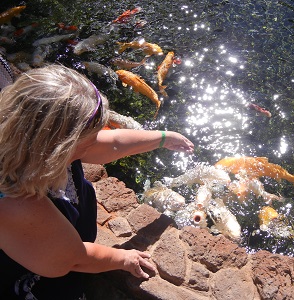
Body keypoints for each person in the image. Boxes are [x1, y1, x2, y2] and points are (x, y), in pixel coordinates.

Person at [0, 64, 194, 299]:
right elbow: (71, 259)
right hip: (39, 279)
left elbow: (113, 143)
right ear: (59, 148)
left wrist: (163, 138)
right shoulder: (18, 203)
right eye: (90, 139)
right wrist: (124, 258)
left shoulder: (29, 143)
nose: (97, 141)